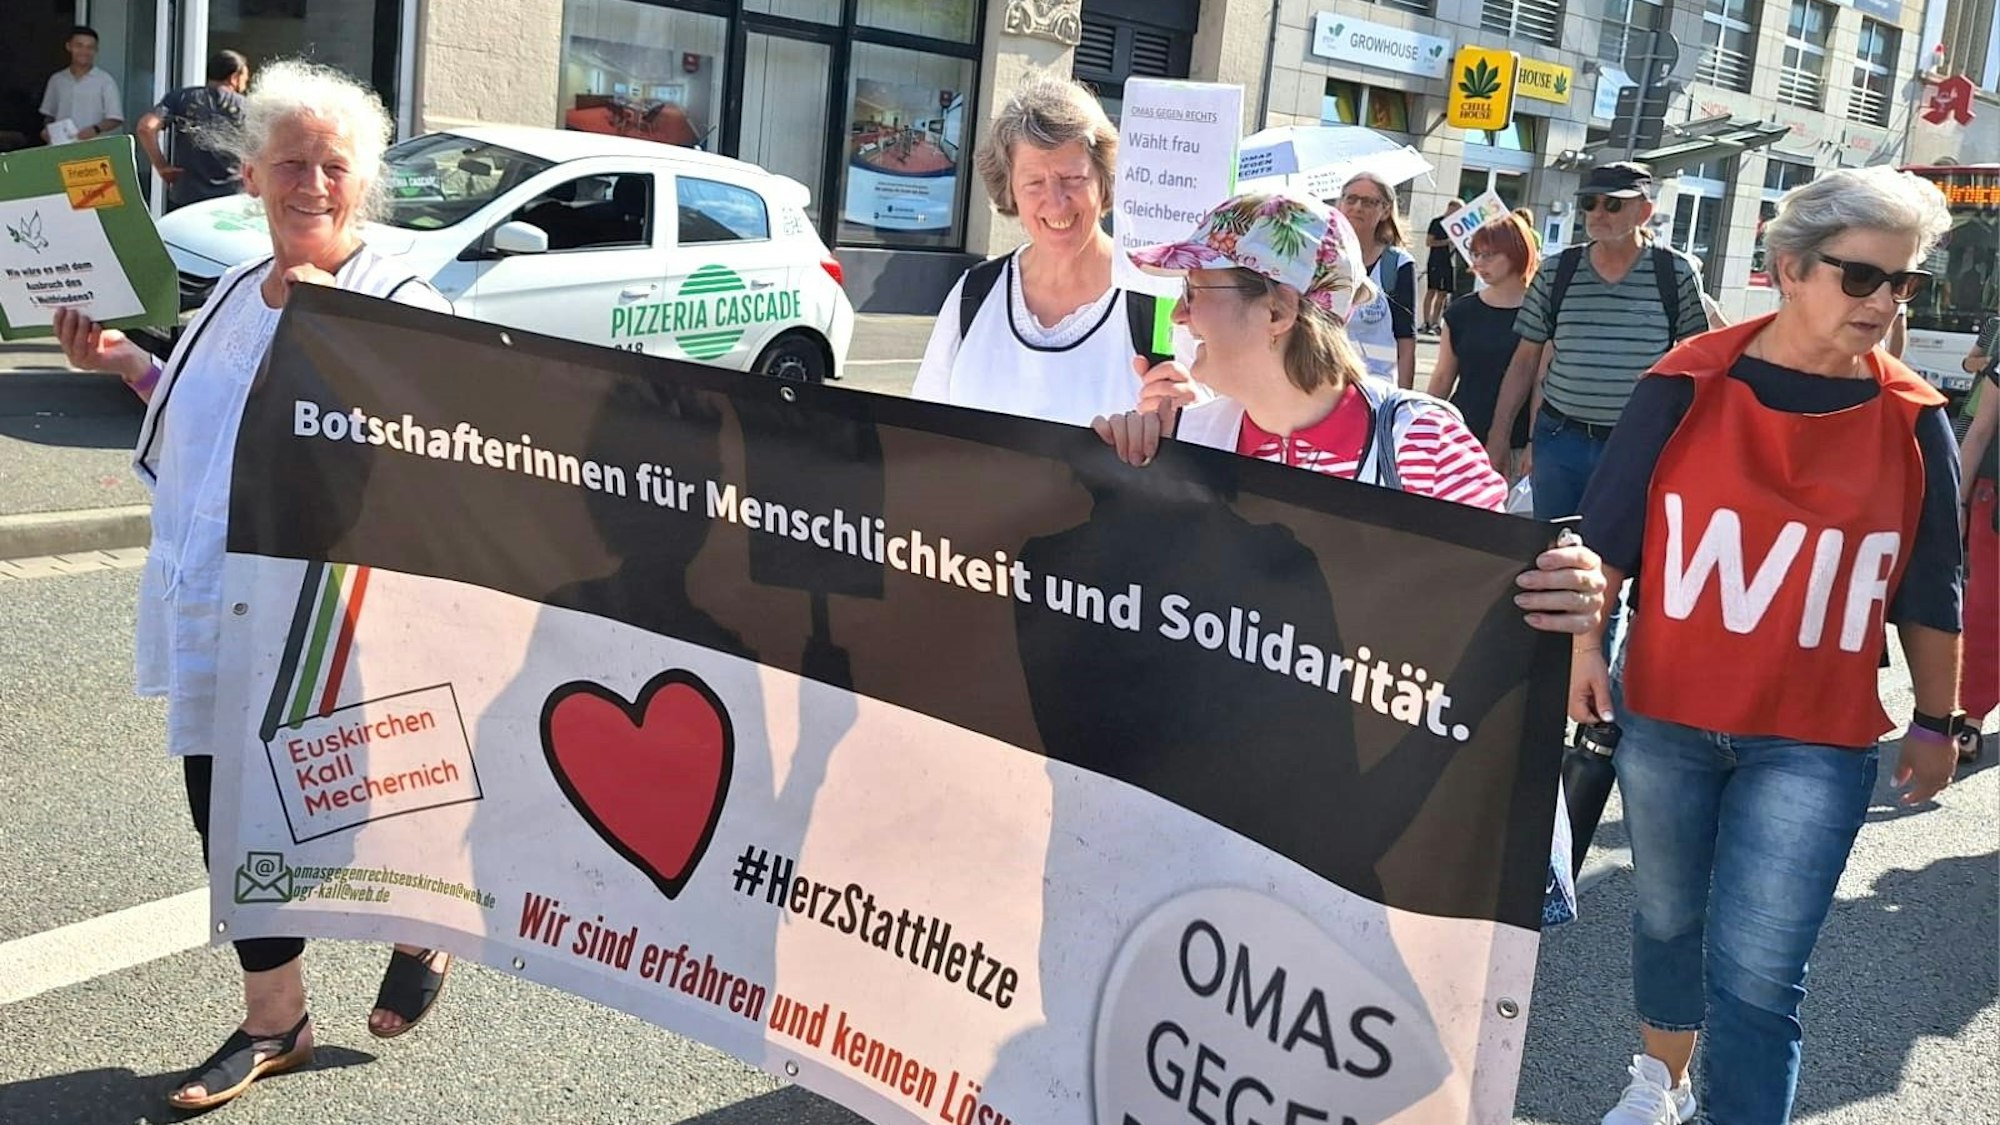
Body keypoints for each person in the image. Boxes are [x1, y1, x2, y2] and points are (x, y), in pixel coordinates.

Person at [50, 59, 459, 1112]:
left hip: (337, 615)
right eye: (290, 162)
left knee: (359, 794)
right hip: (212, 596)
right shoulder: (234, 289)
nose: (310, 185)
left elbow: (435, 458)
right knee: (221, 805)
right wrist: (120, 364)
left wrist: (340, 350)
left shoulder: (394, 298)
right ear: (251, 174)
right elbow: (192, 411)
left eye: (333, 166)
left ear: (360, 184)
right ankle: (277, 1018)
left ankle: (424, 917)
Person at [1569, 165, 1965, 1125]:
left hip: (1816, 737)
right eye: (1860, 276)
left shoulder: (1916, 419)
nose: (1883, 302)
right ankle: (1657, 1078)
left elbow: (1931, 587)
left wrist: (1937, 719)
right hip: (1664, 709)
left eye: (1901, 283)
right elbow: (1605, 538)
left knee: (1759, 969)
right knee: (1666, 918)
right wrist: (1585, 648)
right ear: (1789, 269)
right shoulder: (1685, 382)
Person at [910, 74, 1180, 425]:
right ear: (1010, 192)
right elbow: (926, 435)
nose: (1056, 203)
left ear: (1105, 179)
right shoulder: (973, 295)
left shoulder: (1157, 297)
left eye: (1073, 179)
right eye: (1034, 183)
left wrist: (1186, 422)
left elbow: (1202, 437)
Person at [1485, 161, 1708, 522]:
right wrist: (1499, 436)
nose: (1598, 212)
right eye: (1590, 203)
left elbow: (1699, 358)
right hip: (1559, 438)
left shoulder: (1674, 272)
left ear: (1645, 212)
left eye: (1613, 204)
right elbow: (1524, 360)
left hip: (1636, 442)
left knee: (1616, 552)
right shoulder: (1558, 270)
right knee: (1549, 548)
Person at [1427, 213, 1538, 480]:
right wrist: (1424, 422)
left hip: (1517, 442)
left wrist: (1534, 443)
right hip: (1460, 433)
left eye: (1489, 255)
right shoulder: (1461, 310)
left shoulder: (1540, 312)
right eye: (1475, 254)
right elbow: (1443, 376)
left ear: (1516, 253)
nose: (1478, 262)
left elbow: (1541, 385)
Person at [1334, 171, 1418, 388]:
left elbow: (1405, 339)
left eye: (1369, 202)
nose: (1357, 207)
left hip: (1377, 390)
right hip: (1326, 386)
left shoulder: (1397, 264)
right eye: (1350, 198)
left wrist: (1402, 401)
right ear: (1340, 204)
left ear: (1385, 211)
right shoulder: (1323, 258)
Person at [137, 50, 250, 211]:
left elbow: (146, 127)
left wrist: (162, 166)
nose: (246, 83)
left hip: (187, 196)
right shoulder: (246, 106)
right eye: (245, 77)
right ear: (234, 77)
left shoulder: (180, 97)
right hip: (231, 197)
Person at [1959, 313, 1999, 754]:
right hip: (1995, 499)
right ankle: (1968, 716)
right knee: (1986, 609)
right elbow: (1980, 429)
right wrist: (1960, 501)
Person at [39, 25, 122, 144]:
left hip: (93, 148)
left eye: (90, 47)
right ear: (69, 46)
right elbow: (49, 115)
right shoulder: (57, 80)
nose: (84, 51)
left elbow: (115, 118)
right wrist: (47, 130)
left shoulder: (105, 81)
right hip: (61, 147)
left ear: (96, 50)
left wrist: (95, 129)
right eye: (79, 46)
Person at [1422, 199, 1462, 334]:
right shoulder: (1437, 223)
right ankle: (1426, 322)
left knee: (1443, 293)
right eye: (1457, 210)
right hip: (1436, 261)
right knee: (1432, 290)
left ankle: (1436, 322)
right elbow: (1429, 242)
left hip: (1449, 262)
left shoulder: (1458, 226)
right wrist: (1446, 242)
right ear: (1450, 208)